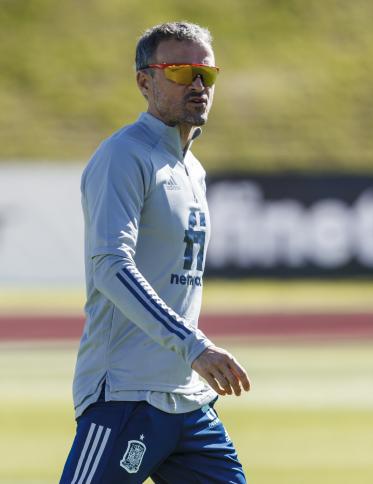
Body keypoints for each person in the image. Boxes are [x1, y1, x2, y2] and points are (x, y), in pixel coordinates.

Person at [60, 22, 251, 484]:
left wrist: (191, 356)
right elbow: (110, 264)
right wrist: (194, 345)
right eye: (182, 72)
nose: (200, 85)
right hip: (126, 395)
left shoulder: (193, 170)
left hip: (188, 401)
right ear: (145, 81)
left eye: (208, 74)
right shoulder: (124, 155)